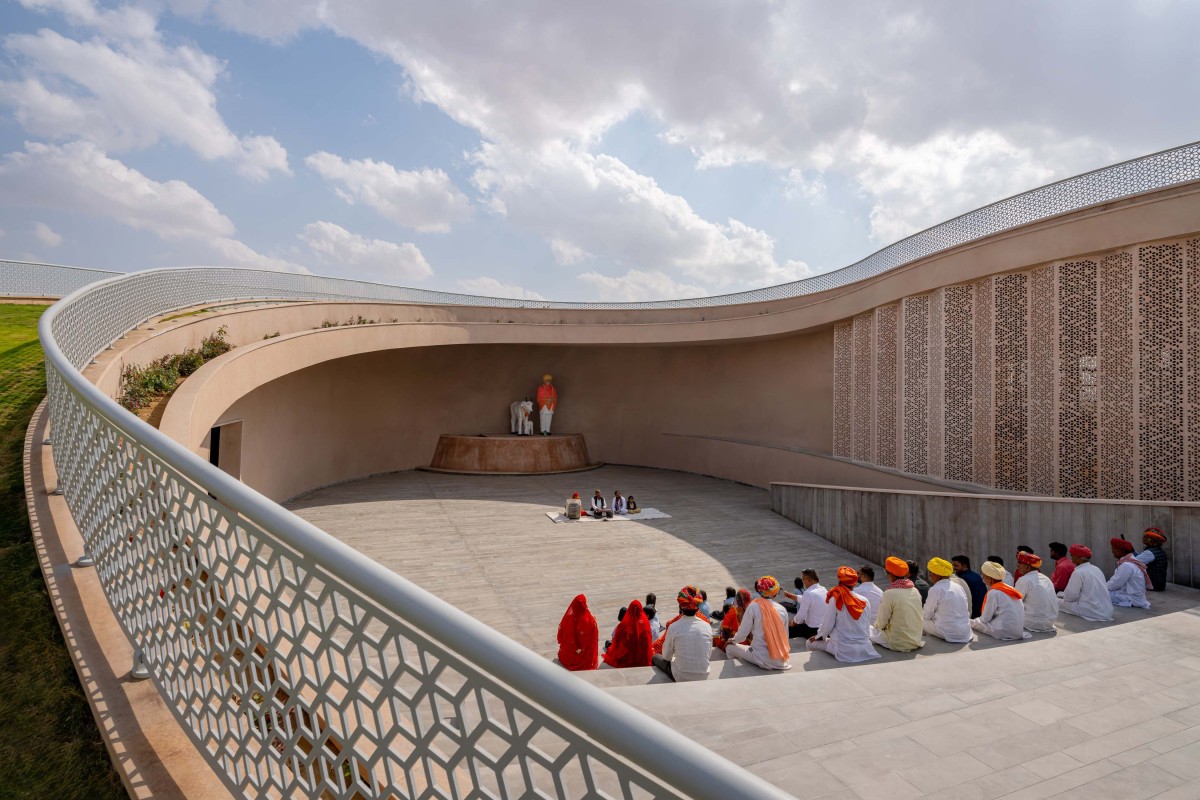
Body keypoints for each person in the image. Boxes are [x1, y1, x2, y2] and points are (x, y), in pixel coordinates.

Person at [807, 567, 880, 663]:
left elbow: (827, 626)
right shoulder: (865, 600)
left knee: (809, 643)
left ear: (840, 582)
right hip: (865, 648)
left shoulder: (836, 599)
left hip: (844, 650)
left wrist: (819, 637)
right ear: (854, 584)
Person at [726, 576, 791, 671]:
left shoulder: (753, 607)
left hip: (761, 657)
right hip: (781, 658)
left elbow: (742, 635)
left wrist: (732, 640)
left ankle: (738, 673)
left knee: (729, 648)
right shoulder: (782, 609)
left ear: (759, 591)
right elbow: (785, 636)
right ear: (775, 593)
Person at [652, 586, 713, 682]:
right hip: (704, 675)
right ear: (697, 607)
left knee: (655, 657)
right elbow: (708, 654)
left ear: (681, 607)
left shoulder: (674, 626)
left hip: (680, 676)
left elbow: (666, 656)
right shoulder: (707, 626)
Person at [870, 557, 925, 652]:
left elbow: (881, 622)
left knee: (867, 629)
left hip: (897, 642)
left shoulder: (889, 593)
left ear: (891, 575)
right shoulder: (915, 590)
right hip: (916, 640)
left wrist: (877, 628)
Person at [971, 562, 1030, 641]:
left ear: (989, 578)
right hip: (1018, 632)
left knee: (973, 622)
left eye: (984, 576)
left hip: (1003, 632)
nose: (982, 578)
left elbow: (985, 619)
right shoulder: (1009, 588)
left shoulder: (993, 592)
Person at [1058, 545, 1114, 622]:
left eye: (1072, 556)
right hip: (1107, 611)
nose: (1071, 558)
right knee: (1061, 594)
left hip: (1092, 611)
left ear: (1078, 558)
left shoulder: (1078, 572)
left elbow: (1070, 597)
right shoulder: (1096, 569)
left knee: (1056, 601)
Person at [922, 557, 973, 643]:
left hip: (949, 633)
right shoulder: (958, 587)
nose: (929, 576)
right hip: (965, 632)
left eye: (930, 573)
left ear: (937, 576)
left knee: (919, 619)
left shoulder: (935, 589)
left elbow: (927, 615)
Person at [1014, 551, 1058, 632]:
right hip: (1050, 621)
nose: (1017, 565)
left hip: (1033, 623)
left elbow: (1014, 603)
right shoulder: (1046, 578)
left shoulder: (1024, 580)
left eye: (1020, 562)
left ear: (1027, 567)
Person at [602, 600, 653, 668]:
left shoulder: (624, 625)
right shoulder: (645, 622)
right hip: (643, 657)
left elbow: (617, 642)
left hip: (627, 657)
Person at [557, 594, 599, 670]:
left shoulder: (569, 618)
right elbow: (585, 640)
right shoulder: (587, 619)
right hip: (582, 653)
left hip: (567, 655)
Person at [1108, 538, 1152, 609]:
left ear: (1120, 551)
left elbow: (1115, 584)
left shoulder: (1127, 565)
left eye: (1113, 549)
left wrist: (1102, 588)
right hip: (1134, 597)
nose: (1112, 551)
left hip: (1132, 598)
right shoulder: (1131, 561)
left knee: (1098, 593)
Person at [786, 569, 827, 639]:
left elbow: (801, 615)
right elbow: (807, 600)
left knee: (784, 629)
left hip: (812, 629)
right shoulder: (823, 590)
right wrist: (790, 595)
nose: (803, 582)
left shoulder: (808, 593)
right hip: (823, 628)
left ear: (809, 579)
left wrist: (793, 622)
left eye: (803, 579)